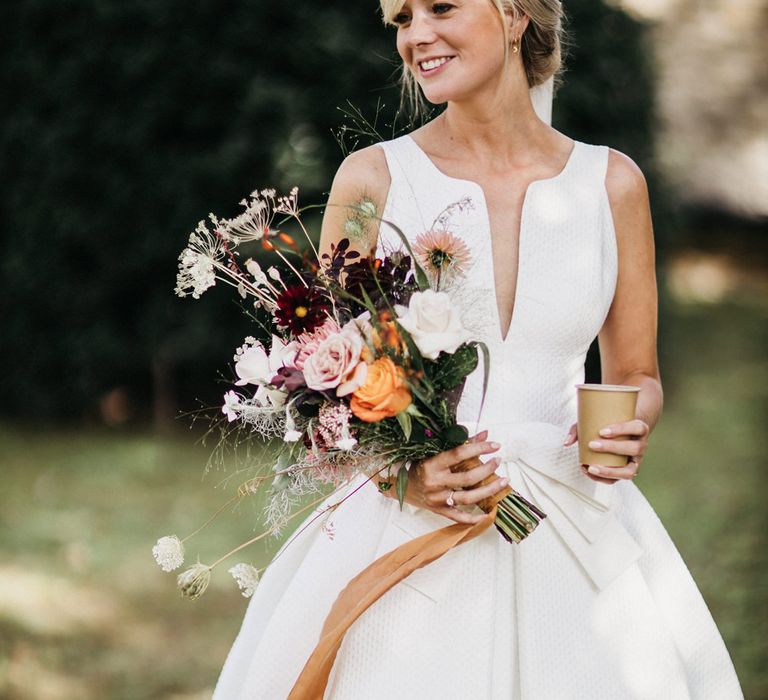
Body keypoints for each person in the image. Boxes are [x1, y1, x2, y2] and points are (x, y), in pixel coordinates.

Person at [212, 1, 744, 697]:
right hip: (408, 531)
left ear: (516, 14)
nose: (416, 35)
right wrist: (401, 473)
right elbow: (322, 375)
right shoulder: (373, 180)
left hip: (574, 527)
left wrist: (628, 424)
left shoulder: (612, 187)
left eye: (440, 7)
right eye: (401, 18)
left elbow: (638, 374)